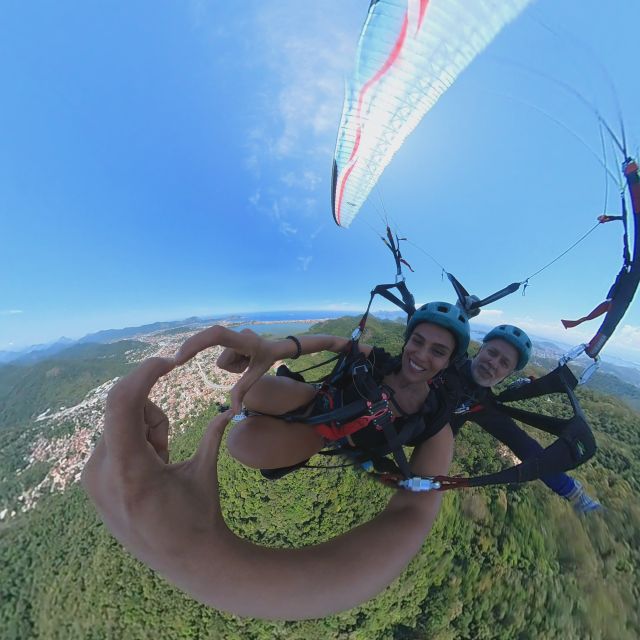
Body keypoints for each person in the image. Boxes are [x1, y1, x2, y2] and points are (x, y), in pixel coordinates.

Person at [81, 302, 469, 619]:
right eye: (418, 342)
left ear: (450, 361)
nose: (421, 355)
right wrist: (278, 348)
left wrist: (193, 559)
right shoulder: (381, 362)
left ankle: (273, 406)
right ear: (407, 340)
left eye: (438, 351)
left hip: (320, 434)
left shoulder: (435, 424)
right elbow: (337, 343)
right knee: (251, 399)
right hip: (317, 403)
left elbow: (413, 514)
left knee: (244, 443)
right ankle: (268, 390)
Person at [449, 324, 601, 514]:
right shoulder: (445, 361)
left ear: (508, 374)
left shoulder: (482, 403)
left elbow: (524, 445)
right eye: (492, 353)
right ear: (480, 350)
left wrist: (571, 491)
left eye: (504, 363)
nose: (493, 363)